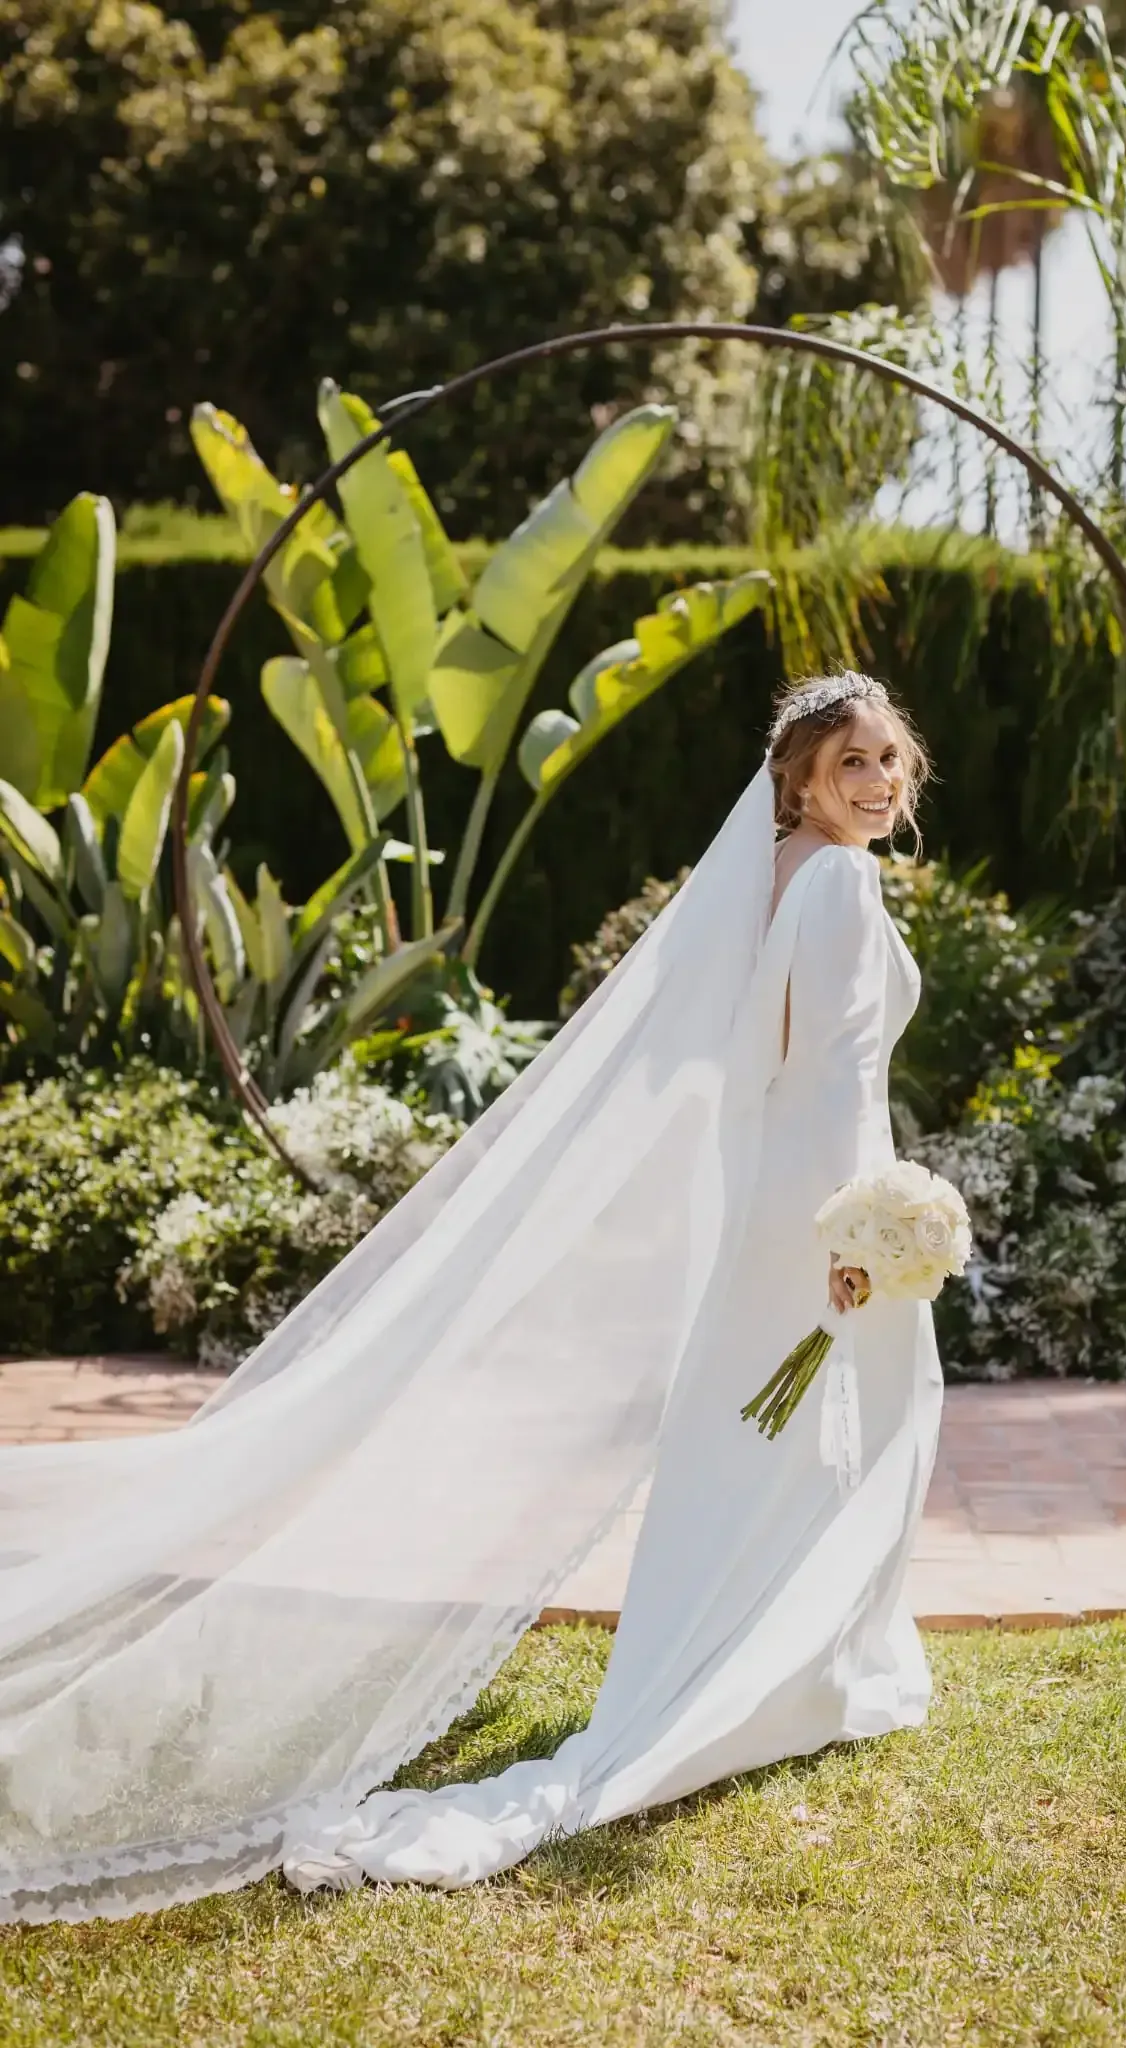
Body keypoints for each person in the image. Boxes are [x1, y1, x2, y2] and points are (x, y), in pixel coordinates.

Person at [0, 670, 943, 1922]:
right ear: (799, 781)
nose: (877, 784)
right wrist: (859, 1231)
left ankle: (779, 1657)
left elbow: (762, 1063)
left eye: (888, 761)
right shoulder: (837, 877)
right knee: (843, 1427)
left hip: (790, 1200)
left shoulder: (776, 872)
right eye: (852, 767)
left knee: (760, 1436)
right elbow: (825, 1070)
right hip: (829, 1205)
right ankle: (807, 1667)